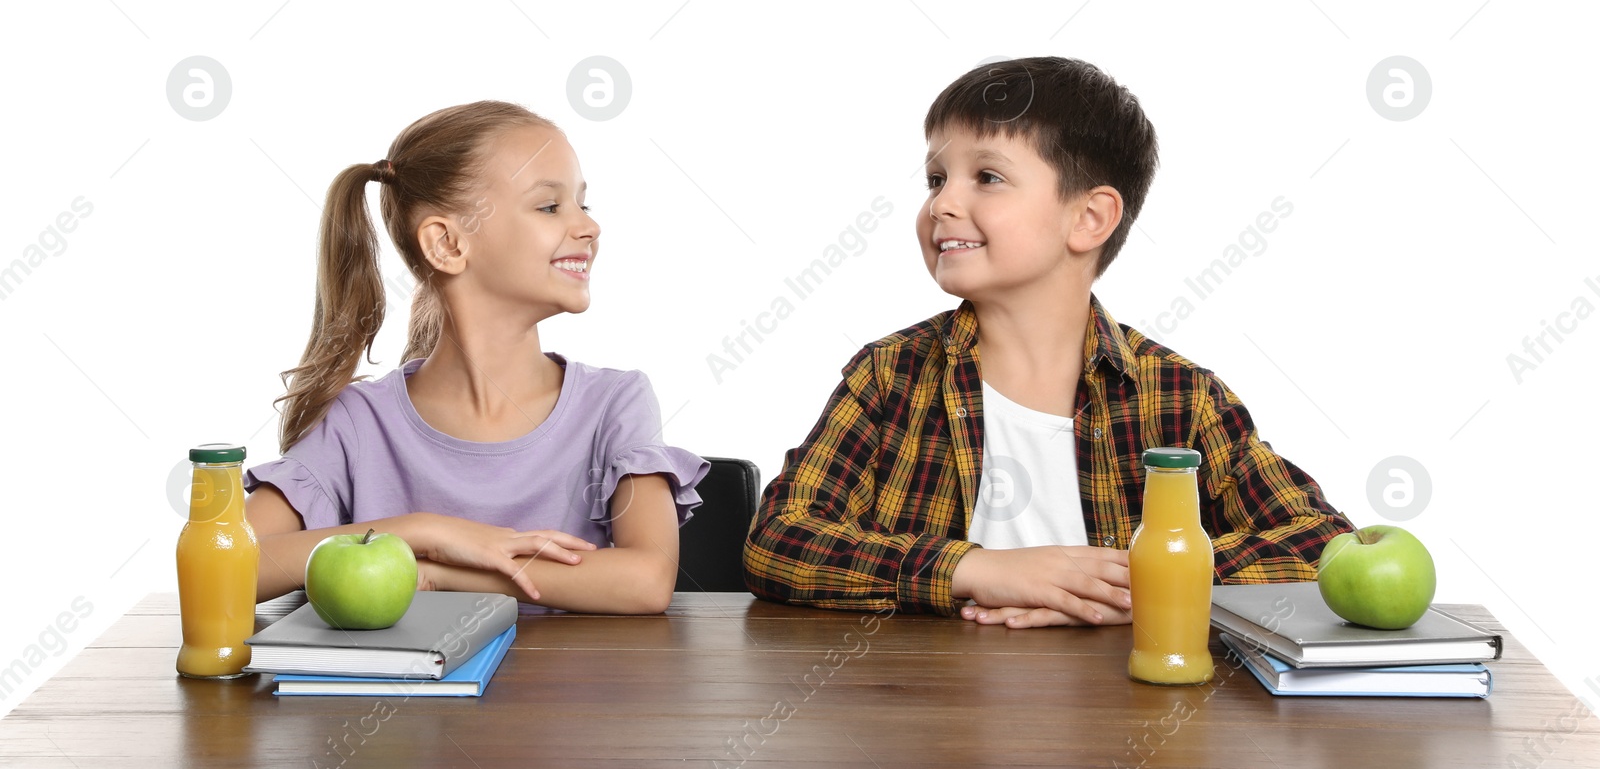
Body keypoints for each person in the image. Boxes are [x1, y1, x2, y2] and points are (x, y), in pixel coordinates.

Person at [744, 57, 1354, 628]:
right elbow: (780, 540)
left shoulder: (1180, 397)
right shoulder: (889, 374)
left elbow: (1321, 544)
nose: (942, 203)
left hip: (1121, 715)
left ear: (1089, 218)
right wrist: (972, 569)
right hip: (928, 719)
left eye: (986, 177)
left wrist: (1135, 586)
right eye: (936, 178)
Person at [245, 101, 707, 614]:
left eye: (584, 204)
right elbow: (225, 567)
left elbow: (646, 581)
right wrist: (425, 533)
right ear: (446, 244)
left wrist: (445, 575)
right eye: (550, 207)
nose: (589, 228)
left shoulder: (614, 403)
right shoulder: (356, 423)